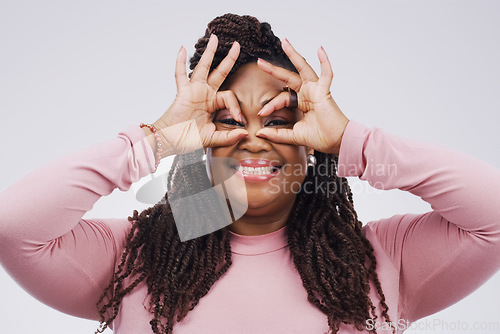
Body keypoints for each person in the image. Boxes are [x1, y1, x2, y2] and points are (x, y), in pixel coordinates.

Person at [0, 13, 499, 334]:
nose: (254, 138)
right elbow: (13, 226)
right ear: (201, 141)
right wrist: (157, 141)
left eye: (281, 122)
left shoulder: (385, 261)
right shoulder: (131, 258)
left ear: (313, 142)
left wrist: (354, 141)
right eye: (228, 121)